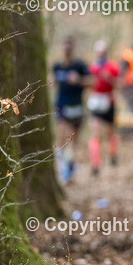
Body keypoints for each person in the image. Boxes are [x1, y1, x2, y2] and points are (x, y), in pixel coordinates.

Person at [52, 36, 89, 183]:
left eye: (69, 47)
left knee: (74, 141)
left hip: (77, 107)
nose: (66, 49)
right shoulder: (57, 66)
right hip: (62, 106)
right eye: (64, 46)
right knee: (62, 136)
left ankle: (70, 167)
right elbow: (50, 82)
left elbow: (92, 81)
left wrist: (78, 79)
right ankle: (62, 167)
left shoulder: (79, 65)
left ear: (72, 48)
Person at [87, 40, 121, 175]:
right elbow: (89, 84)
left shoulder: (113, 67)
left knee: (110, 133)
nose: (100, 54)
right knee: (96, 133)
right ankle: (95, 164)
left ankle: (113, 155)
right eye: (98, 52)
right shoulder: (92, 68)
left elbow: (119, 85)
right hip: (96, 102)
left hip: (109, 102)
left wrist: (110, 79)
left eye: (103, 51)